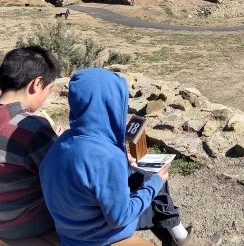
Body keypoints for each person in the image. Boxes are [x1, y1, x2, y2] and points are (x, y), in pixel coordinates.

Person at [40, 68, 221, 246]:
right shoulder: (107, 157)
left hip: (73, 230)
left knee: (149, 184)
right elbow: (120, 217)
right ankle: (181, 240)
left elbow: (89, 176)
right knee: (155, 190)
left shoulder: (64, 142)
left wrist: (125, 165)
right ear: (109, 104)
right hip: (99, 236)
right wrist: (155, 183)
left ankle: (179, 239)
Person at [0, 46, 61, 239]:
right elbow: (61, 180)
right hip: (19, 225)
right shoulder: (32, 127)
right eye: (49, 88)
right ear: (37, 83)